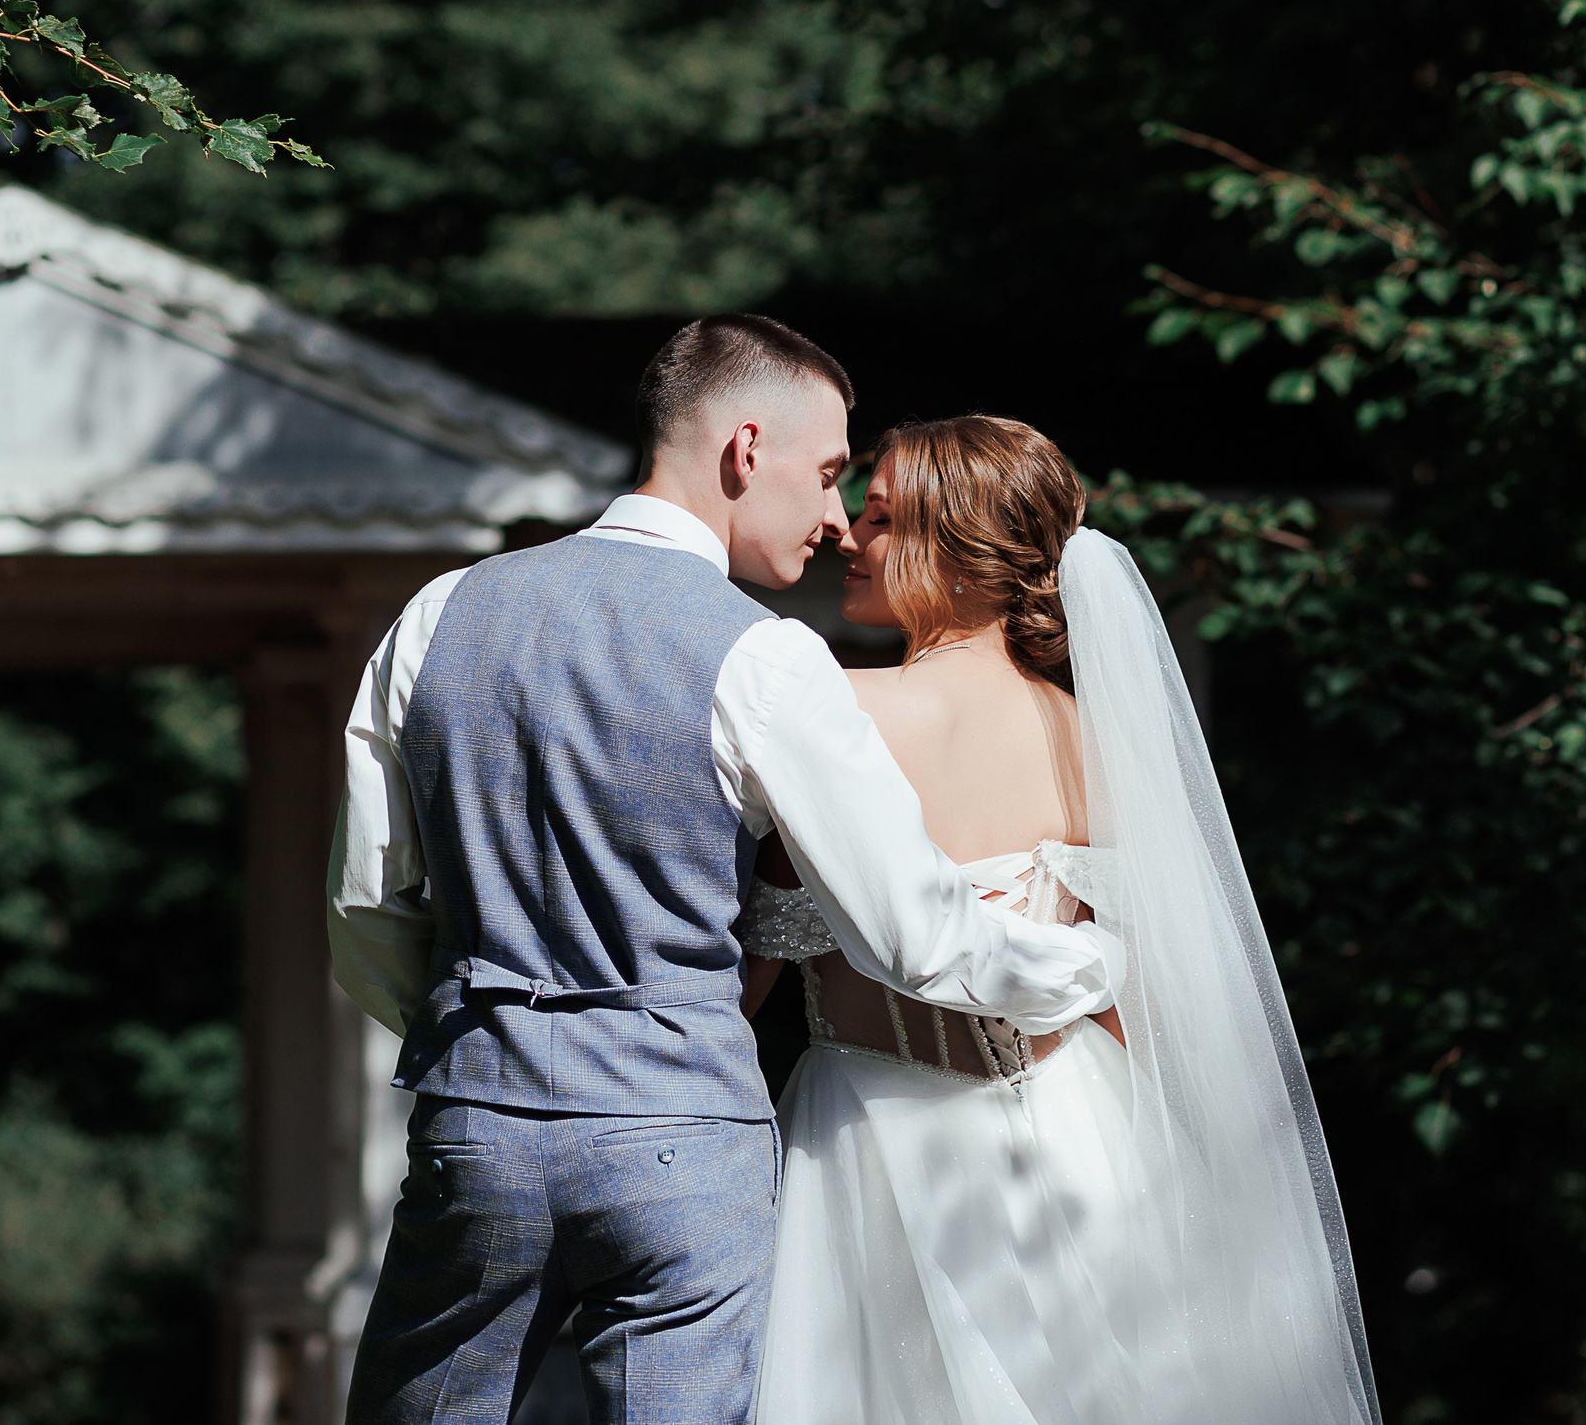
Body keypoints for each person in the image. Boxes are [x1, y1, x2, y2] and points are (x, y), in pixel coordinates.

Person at [326, 318, 1123, 1425]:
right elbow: (915, 937)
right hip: (681, 1139)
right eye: (832, 475)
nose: (837, 518)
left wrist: (485, 1040)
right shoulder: (765, 655)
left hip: (481, 1117)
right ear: (747, 451)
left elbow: (367, 903)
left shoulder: (437, 614)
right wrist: (1090, 965)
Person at [742, 415, 1379, 1425]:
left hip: (875, 1143)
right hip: (1085, 1138)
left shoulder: (838, 716)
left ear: (960, 551)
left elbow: (741, 984)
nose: (847, 540)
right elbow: (1147, 1002)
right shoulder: (1092, 736)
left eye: (881, 519)